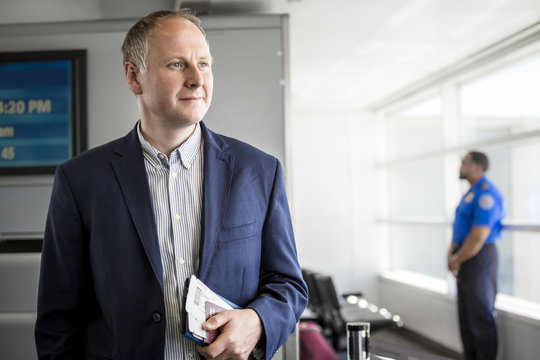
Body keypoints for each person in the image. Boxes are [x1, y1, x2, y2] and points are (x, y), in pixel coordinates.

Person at [35, 9, 308, 360]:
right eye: (178, 64)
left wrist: (257, 321)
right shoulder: (81, 180)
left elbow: (287, 285)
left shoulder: (259, 171)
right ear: (134, 78)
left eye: (204, 64)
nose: (197, 79)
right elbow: (58, 321)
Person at [447, 151, 505, 360]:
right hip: (465, 255)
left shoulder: (486, 194)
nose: (461, 166)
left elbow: (478, 236)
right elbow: (460, 229)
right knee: (466, 315)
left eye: (465, 162)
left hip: (479, 257)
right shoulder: (470, 193)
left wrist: (457, 258)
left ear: (477, 167)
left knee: (480, 314)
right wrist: (452, 254)